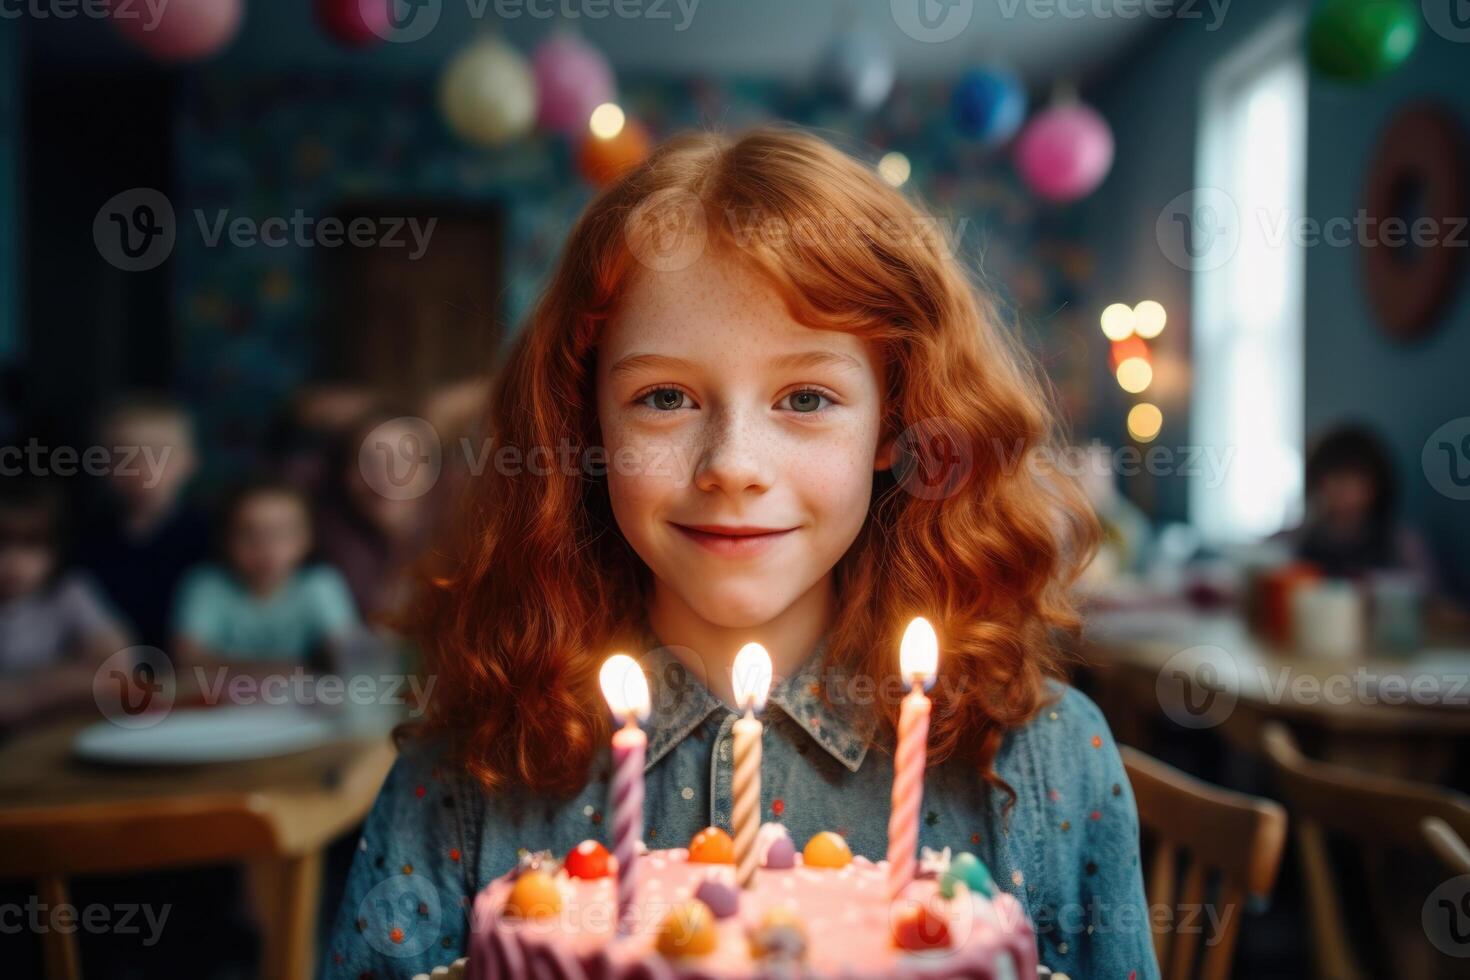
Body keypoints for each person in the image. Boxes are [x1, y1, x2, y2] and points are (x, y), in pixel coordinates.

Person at [323, 128, 1157, 979]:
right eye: (665, 397)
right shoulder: (470, 768)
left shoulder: (1042, 761)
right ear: (588, 426)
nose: (732, 465)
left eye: (805, 397)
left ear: (895, 420)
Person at [172, 479, 359, 677]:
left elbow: (348, 652)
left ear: (307, 538)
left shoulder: (320, 583)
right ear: (225, 538)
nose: (266, 547)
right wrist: (299, 669)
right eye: (249, 533)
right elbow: (188, 660)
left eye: (282, 533)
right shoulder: (205, 585)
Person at [76, 394, 210, 651]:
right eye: (123, 456)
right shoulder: (82, 538)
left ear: (189, 462)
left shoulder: (212, 536)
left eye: (159, 454)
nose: (141, 467)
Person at [0, 476, 130, 729]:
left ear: (55, 547)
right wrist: (74, 680)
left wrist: (22, 692)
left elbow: (119, 671)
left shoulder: (69, 591)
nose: (14, 561)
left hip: (57, 734)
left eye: (31, 544)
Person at [1278, 424, 1438, 589]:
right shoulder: (1294, 541)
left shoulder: (1403, 545)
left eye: (1355, 480)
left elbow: (1430, 599)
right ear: (1317, 482)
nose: (1345, 491)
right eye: (1336, 478)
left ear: (1376, 485)